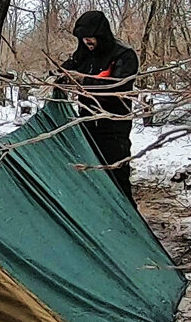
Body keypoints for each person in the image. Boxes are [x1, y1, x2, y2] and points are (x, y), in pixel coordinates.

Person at [56, 10, 139, 200]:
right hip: (86, 124)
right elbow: (66, 69)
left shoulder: (124, 55)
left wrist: (82, 80)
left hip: (113, 126)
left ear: (101, 34)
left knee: (116, 176)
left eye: (90, 37)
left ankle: (126, 215)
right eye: (83, 38)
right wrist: (57, 77)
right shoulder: (84, 54)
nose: (87, 41)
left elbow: (116, 87)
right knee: (90, 176)